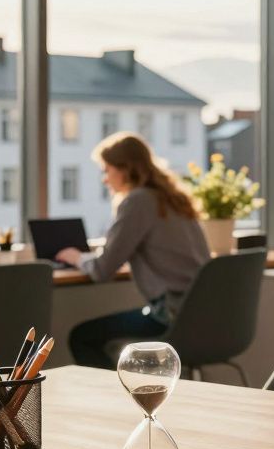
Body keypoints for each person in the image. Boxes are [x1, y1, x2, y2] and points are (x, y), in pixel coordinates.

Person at [60, 132, 210, 369]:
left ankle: (115, 393)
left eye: (107, 170)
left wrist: (76, 257)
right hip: (202, 315)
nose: (105, 180)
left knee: (82, 337)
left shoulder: (138, 201)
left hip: (170, 315)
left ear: (125, 169)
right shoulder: (172, 198)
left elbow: (101, 270)